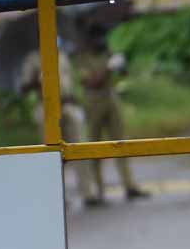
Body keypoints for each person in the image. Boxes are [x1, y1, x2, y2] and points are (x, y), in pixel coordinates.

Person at [19, 47, 98, 205]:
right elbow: (24, 88)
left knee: (80, 149)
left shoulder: (63, 54)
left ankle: (89, 193)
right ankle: (60, 197)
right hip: (48, 108)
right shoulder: (33, 58)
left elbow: (71, 81)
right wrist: (36, 80)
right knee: (52, 154)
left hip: (68, 104)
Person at [76, 34, 149, 201]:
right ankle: (98, 189)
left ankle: (129, 185)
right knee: (95, 146)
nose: (100, 41)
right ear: (89, 40)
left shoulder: (107, 53)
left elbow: (124, 73)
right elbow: (92, 82)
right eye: (97, 37)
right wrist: (108, 68)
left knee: (121, 142)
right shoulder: (82, 59)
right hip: (93, 101)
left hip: (111, 98)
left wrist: (120, 62)